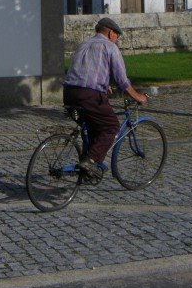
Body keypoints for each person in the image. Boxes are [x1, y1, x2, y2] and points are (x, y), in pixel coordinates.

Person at [63, 16, 147, 181]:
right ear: (110, 33)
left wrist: (103, 84)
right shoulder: (109, 47)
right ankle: (89, 161)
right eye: (117, 35)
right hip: (89, 96)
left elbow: (85, 71)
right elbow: (122, 81)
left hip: (69, 93)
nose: (117, 39)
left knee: (93, 128)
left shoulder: (83, 45)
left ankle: (88, 167)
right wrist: (138, 97)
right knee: (110, 127)